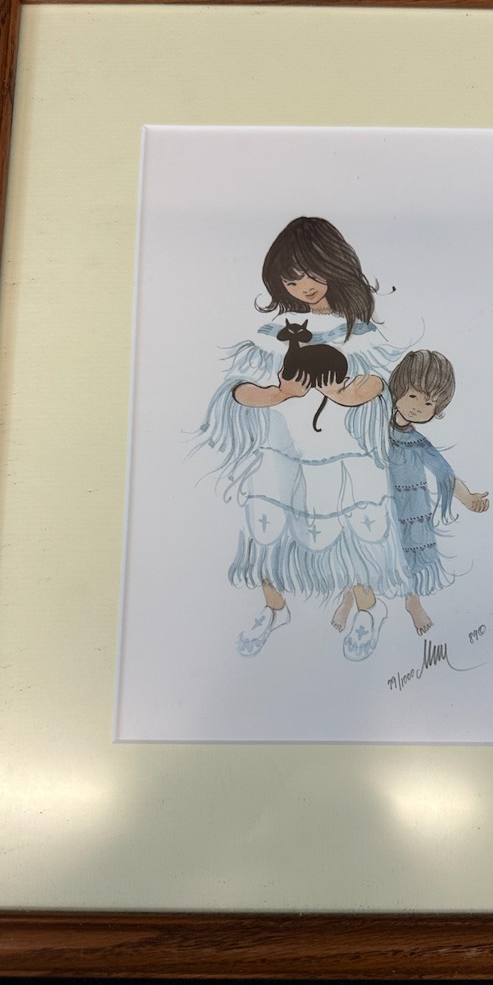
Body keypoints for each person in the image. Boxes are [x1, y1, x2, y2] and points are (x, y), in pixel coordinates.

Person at [197, 216, 409, 660]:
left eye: (312, 273)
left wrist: (348, 396)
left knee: (353, 535)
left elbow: (379, 383)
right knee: (270, 531)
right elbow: (236, 390)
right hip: (282, 455)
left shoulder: (359, 333)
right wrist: (278, 394)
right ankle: (274, 608)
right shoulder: (271, 334)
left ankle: (368, 610)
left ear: (334, 265)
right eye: (291, 280)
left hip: (343, 457)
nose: (304, 286)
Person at [387, 350, 490, 635]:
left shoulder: (418, 442)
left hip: (410, 510)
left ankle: (412, 602)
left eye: (428, 402)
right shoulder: (374, 427)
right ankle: (352, 597)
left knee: (408, 555)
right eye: (412, 396)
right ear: (398, 389)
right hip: (379, 505)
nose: (418, 407)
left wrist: (468, 498)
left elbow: (444, 474)